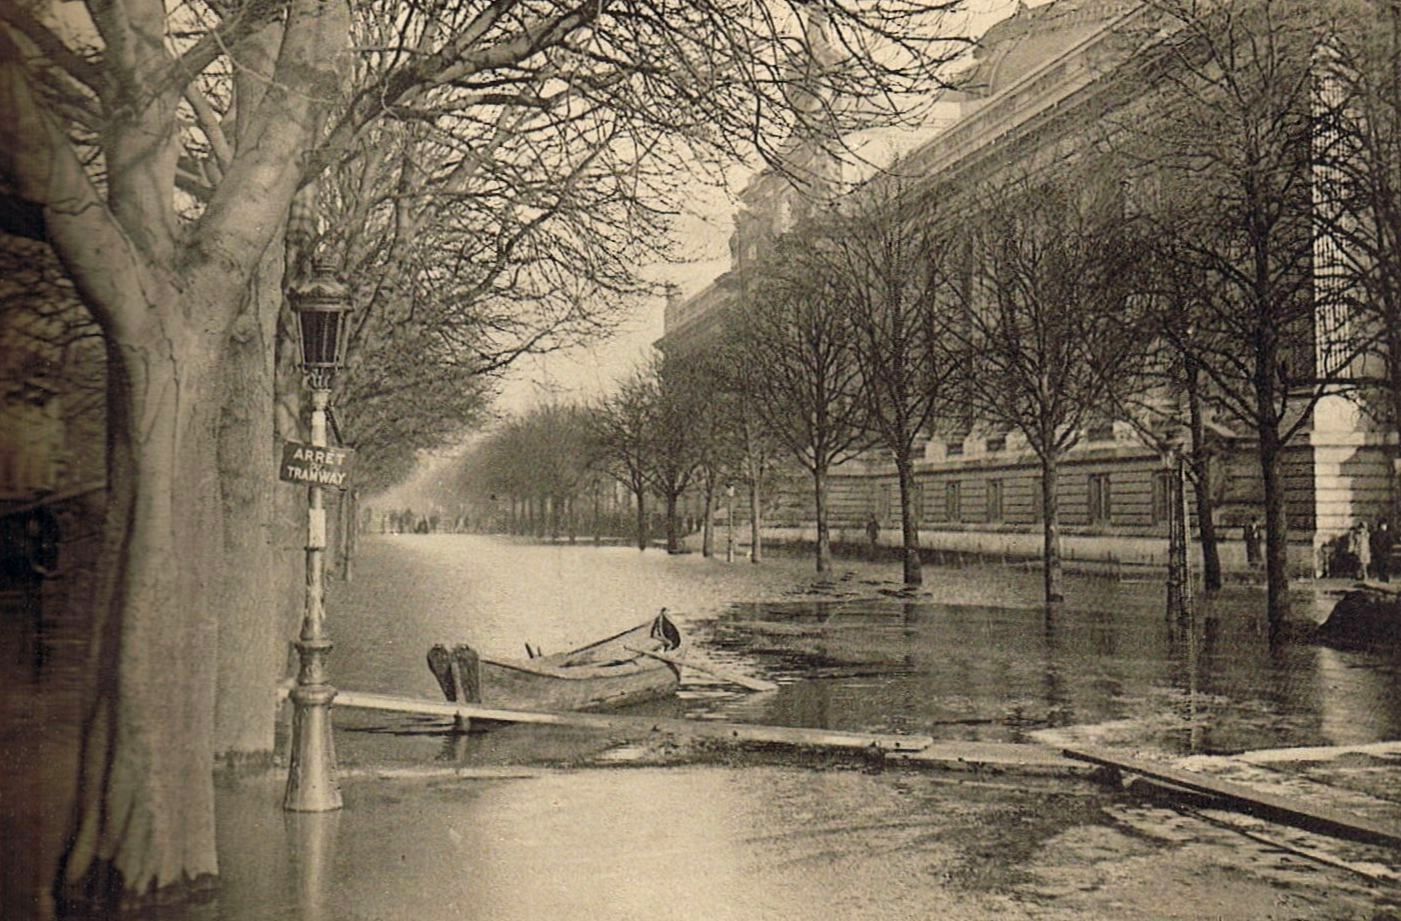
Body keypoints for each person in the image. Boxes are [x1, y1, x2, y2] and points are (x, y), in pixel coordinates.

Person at [1371, 518, 1393, 583]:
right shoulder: (1387, 534)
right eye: (1384, 525)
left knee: (1381, 566)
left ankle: (1382, 577)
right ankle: (1384, 577)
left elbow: (1373, 544)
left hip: (1379, 553)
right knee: (1384, 566)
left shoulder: (1375, 534)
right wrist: (1387, 551)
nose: (1385, 526)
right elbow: (1390, 543)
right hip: (1384, 553)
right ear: (1381, 525)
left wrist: (1377, 551)